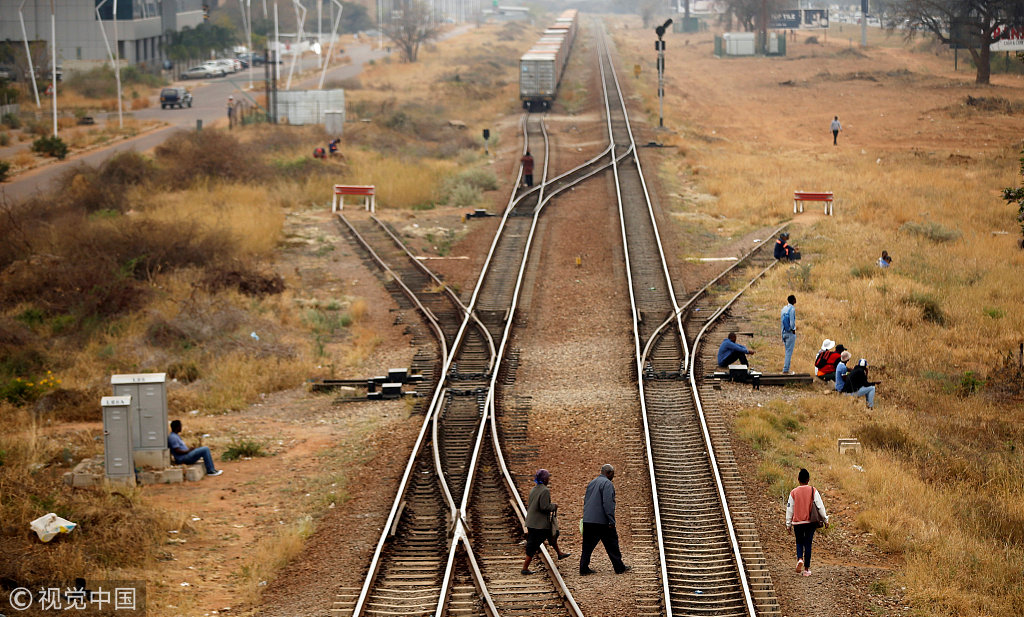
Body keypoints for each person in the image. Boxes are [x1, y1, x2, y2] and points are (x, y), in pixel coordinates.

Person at [580, 464, 630, 575]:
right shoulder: (607, 484)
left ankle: (583, 568)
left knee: (587, 546)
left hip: (588, 520)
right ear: (609, 473)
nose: (613, 476)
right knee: (612, 544)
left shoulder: (592, 482)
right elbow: (608, 504)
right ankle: (619, 567)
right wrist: (611, 520)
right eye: (613, 474)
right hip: (602, 521)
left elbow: (586, 501)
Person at [522, 469, 571, 575]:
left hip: (532, 522)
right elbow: (544, 507)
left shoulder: (534, 489)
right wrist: (554, 506)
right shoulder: (545, 490)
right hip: (538, 524)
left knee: (550, 535)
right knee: (533, 544)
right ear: (544, 479)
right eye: (548, 477)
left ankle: (559, 553)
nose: (549, 479)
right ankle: (525, 568)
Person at [786, 468, 829, 577]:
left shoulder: (793, 492)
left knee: (799, 542)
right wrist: (825, 519)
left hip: (797, 523)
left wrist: (788, 523)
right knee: (808, 544)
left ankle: (800, 558)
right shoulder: (813, 490)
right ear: (808, 479)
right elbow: (820, 506)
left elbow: (790, 508)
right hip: (810, 522)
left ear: (798, 479)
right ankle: (806, 569)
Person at [780, 295, 797, 374]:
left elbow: (782, 322)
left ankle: (786, 368)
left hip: (783, 332)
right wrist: (793, 329)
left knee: (787, 351)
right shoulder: (792, 309)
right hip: (789, 333)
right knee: (788, 352)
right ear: (793, 300)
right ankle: (786, 369)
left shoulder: (784, 309)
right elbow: (792, 322)